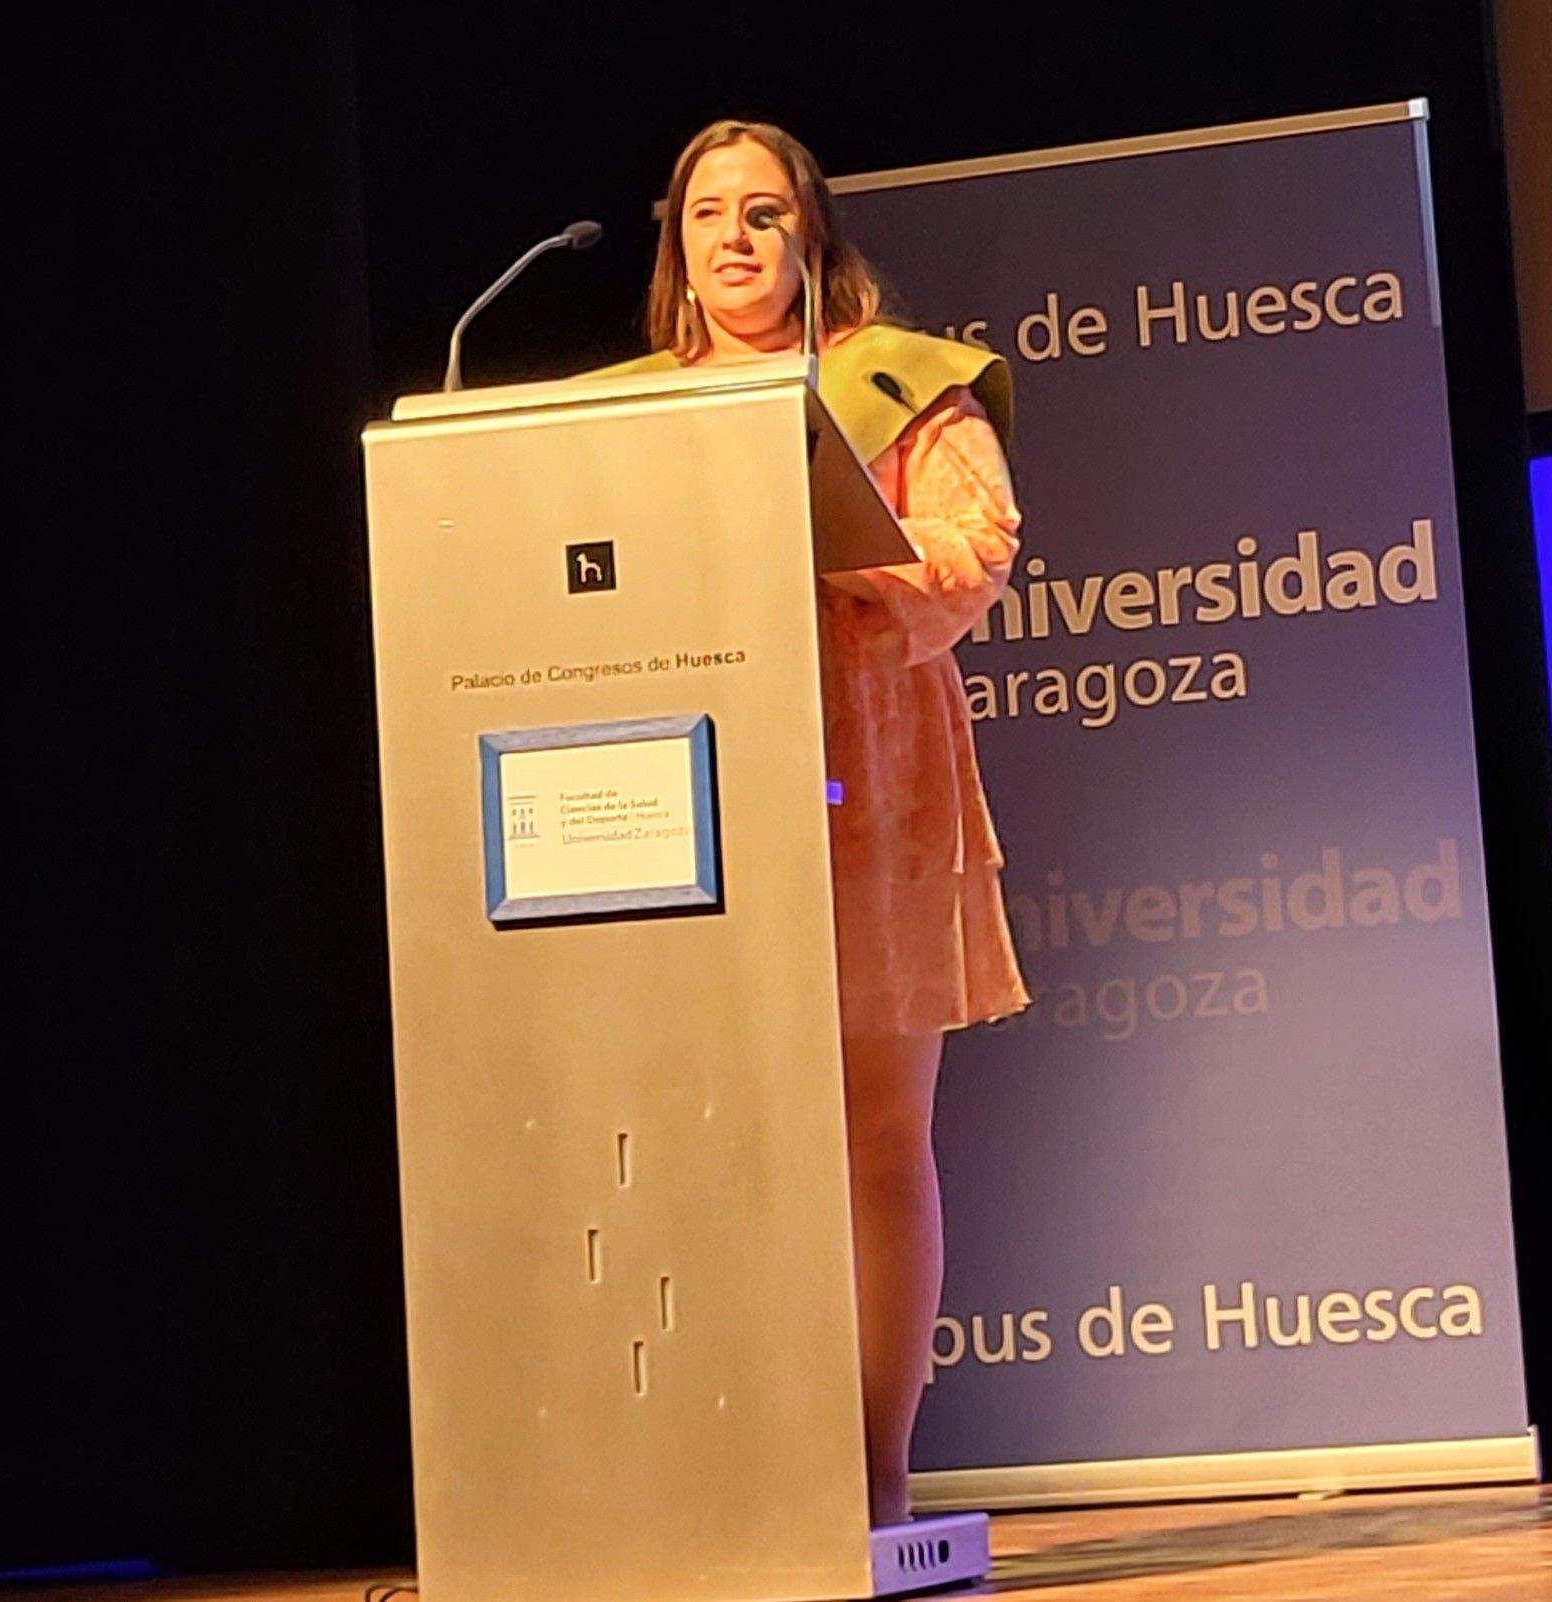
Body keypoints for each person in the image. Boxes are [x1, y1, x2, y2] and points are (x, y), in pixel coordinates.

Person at [598, 118, 1029, 1525]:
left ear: (813, 235)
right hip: (681, 783)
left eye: (763, 212)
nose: (733, 236)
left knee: (868, 1137)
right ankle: (723, 1470)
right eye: (707, 213)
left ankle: (872, 1477)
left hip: (863, 777)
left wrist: (846, 554)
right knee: (701, 1135)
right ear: (675, 242)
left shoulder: (898, 386)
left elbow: (974, 555)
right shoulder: (617, 409)